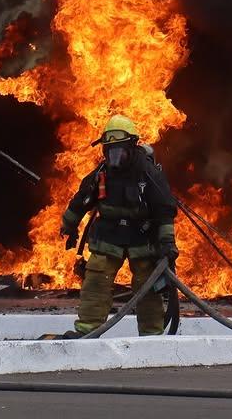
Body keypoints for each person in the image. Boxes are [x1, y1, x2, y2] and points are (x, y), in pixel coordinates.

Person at [60, 115, 178, 336]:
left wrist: (167, 243)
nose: (115, 157)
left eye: (120, 151)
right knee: (96, 282)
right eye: (110, 151)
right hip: (108, 236)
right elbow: (82, 199)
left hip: (141, 237)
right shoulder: (101, 173)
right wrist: (69, 224)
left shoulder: (148, 174)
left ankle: (151, 337)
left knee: (148, 287)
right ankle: (87, 331)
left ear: (132, 147)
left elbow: (164, 210)